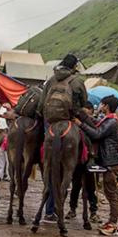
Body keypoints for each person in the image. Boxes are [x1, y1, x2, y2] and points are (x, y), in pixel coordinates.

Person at [39, 53, 88, 223]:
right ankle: (91, 161)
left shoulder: (52, 79)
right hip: (69, 122)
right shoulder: (77, 81)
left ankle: (49, 210)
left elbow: (41, 103)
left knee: (50, 166)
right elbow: (83, 102)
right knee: (87, 141)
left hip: (50, 124)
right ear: (74, 66)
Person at [77, 95, 118, 236]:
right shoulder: (107, 120)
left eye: (102, 104)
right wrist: (84, 116)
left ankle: (113, 222)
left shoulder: (112, 122)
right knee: (110, 193)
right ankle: (111, 221)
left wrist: (80, 124)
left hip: (110, 163)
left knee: (111, 194)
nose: (100, 106)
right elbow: (96, 122)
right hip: (107, 161)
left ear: (106, 106)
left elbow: (97, 134)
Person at [67, 101, 99, 224]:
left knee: (89, 185)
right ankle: (73, 209)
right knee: (77, 185)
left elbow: (96, 135)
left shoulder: (89, 122)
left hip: (88, 158)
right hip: (79, 159)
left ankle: (93, 211)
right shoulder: (76, 122)